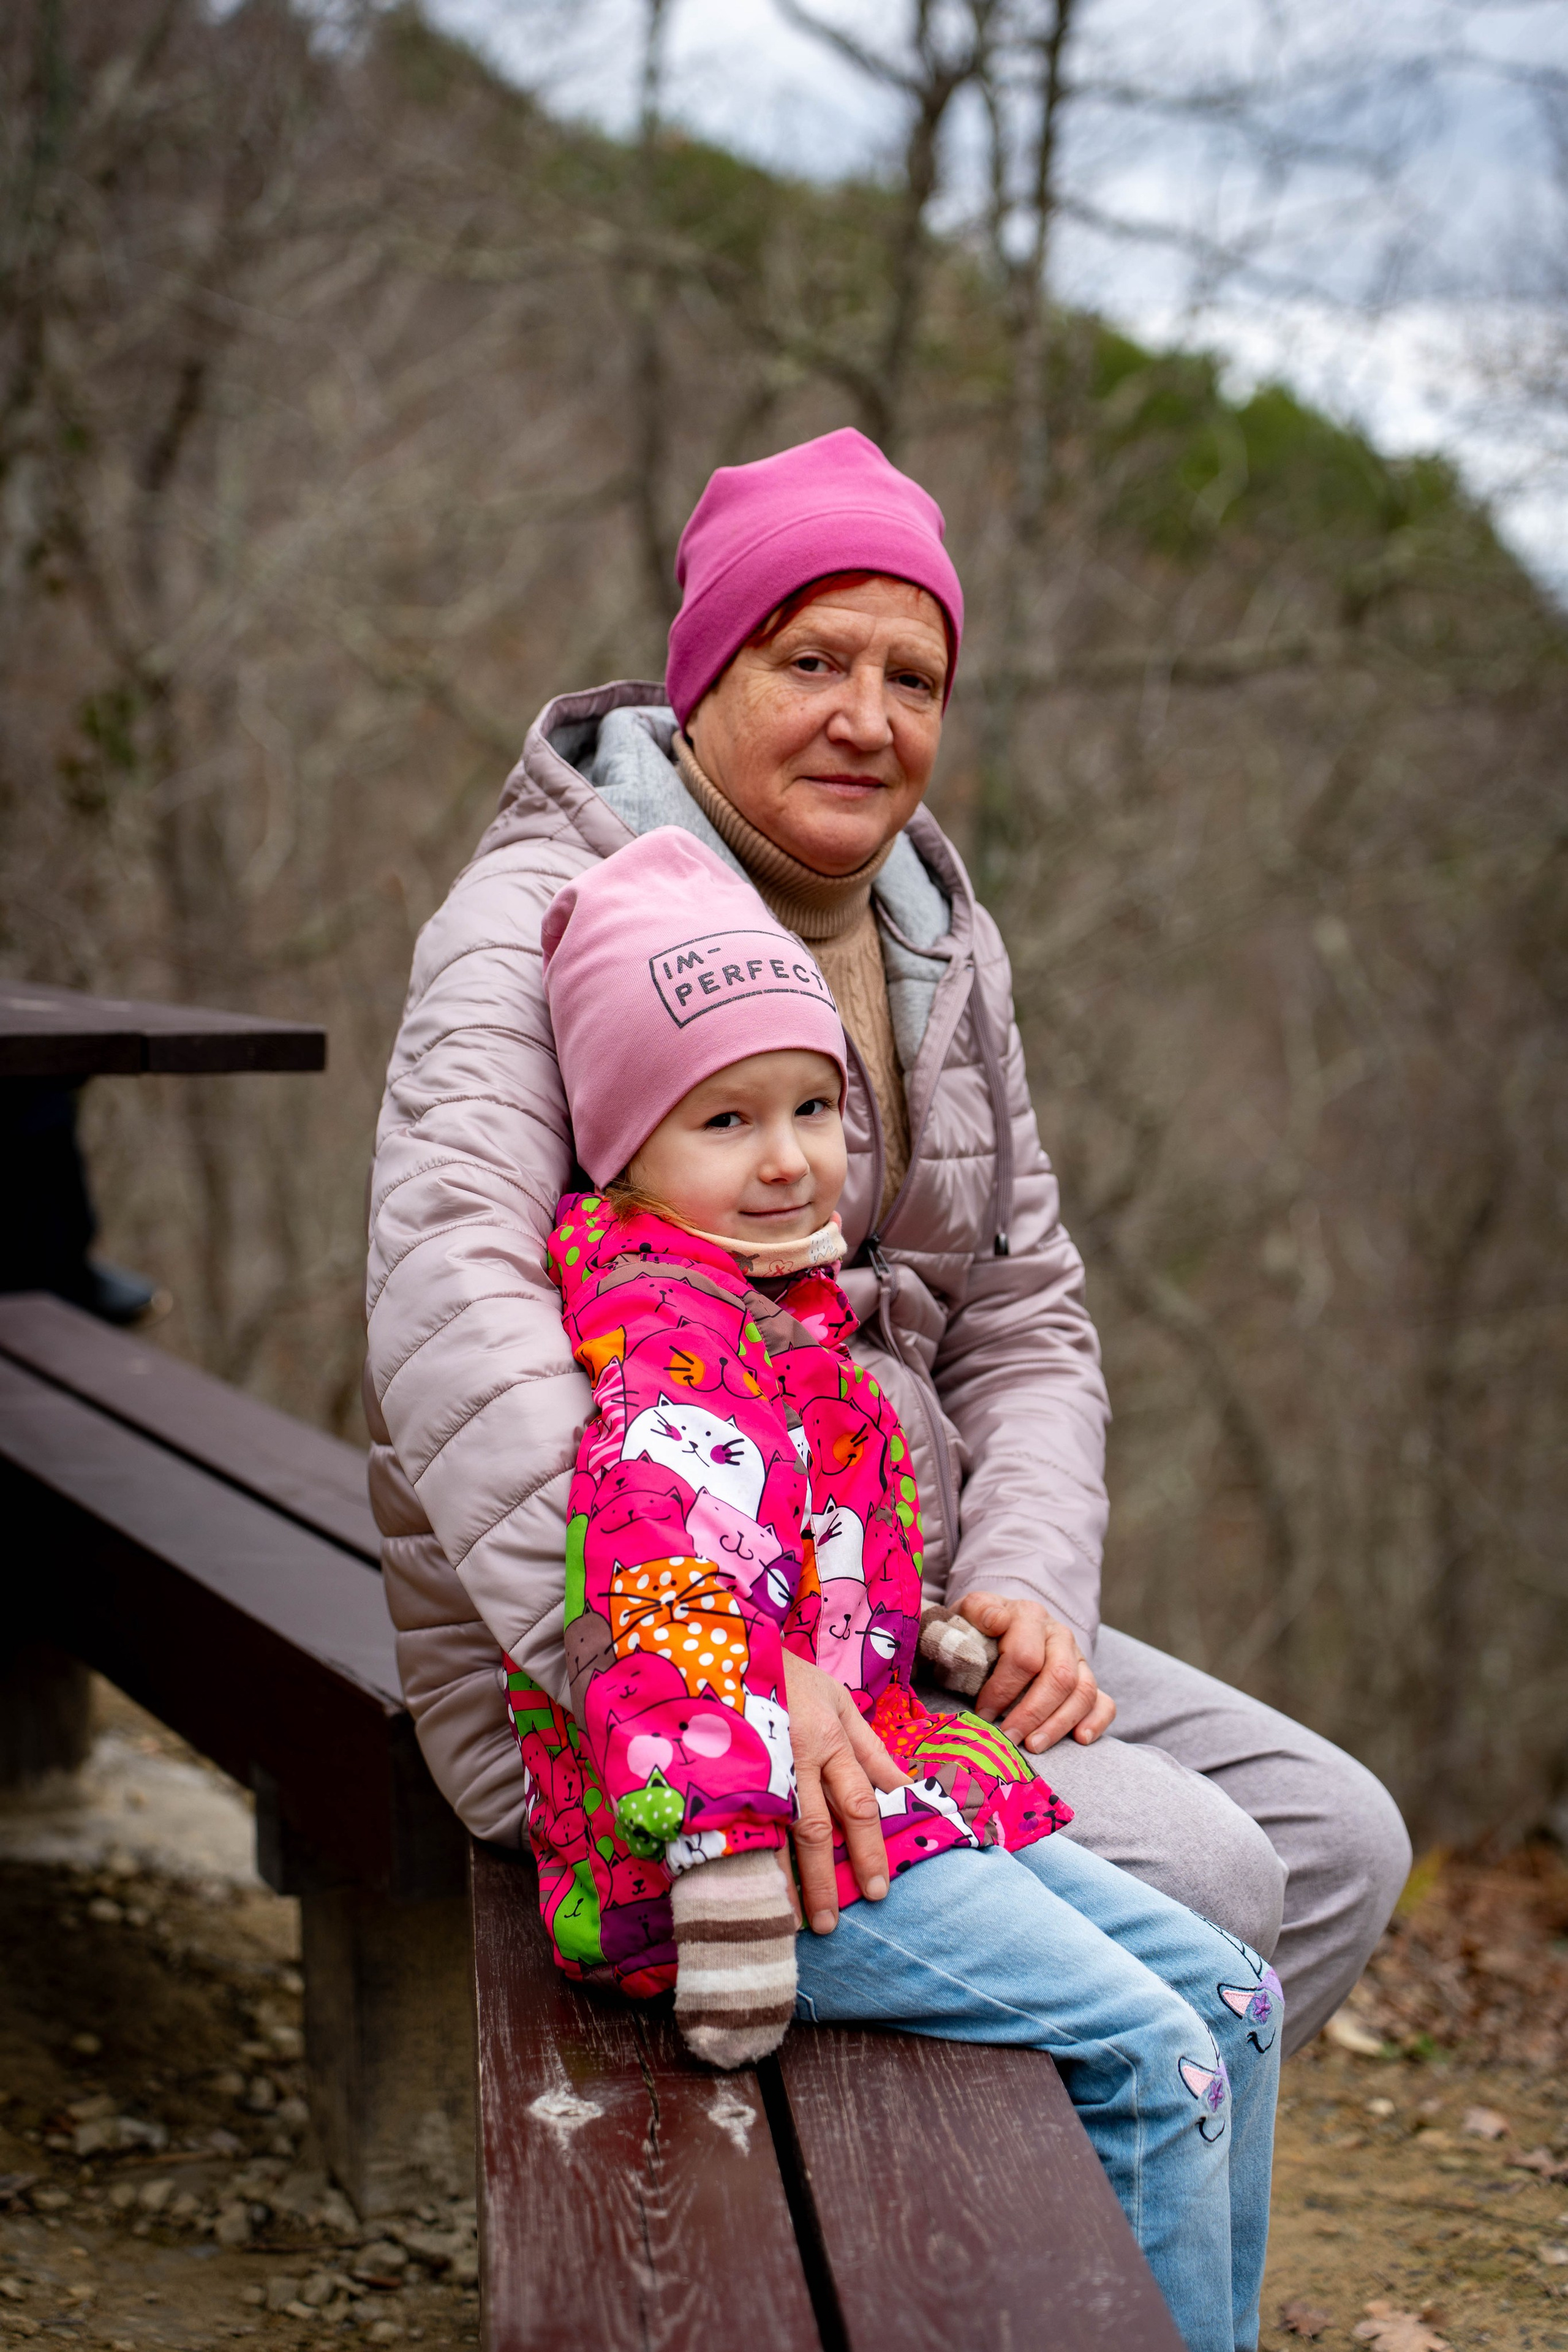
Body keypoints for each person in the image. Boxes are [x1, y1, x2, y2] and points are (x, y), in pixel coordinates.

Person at [364, 424, 1410, 2072]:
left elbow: (1025, 1317)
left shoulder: (935, 937)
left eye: (911, 678)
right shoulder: (539, 918)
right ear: (703, 678)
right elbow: (452, 1313)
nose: (867, 717)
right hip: (619, 1672)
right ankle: (1023, 2213)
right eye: (812, 661)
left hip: (892, 1599)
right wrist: (719, 1672)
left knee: (1338, 1841)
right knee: (1210, 1876)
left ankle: (1111, 2207)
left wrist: (1025, 1587)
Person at [519, 823, 1282, 2352]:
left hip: (873, 1784)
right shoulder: (669, 1363)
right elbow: (668, 1616)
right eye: (723, 1119)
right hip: (727, 1859)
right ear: (624, 1146)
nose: (787, 1157)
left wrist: (917, 1630)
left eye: (811, 1106)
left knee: (1233, 2003)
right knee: (1160, 2054)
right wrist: (726, 1879)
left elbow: (802, 1567)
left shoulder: (783, 1324)